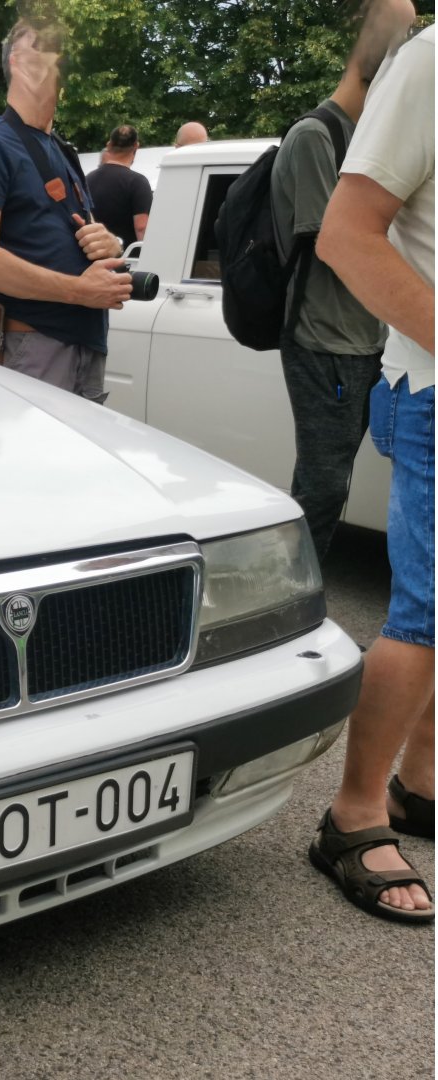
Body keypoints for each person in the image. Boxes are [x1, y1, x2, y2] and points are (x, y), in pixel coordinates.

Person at [308, 22, 434, 923]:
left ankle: (419, 786)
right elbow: (345, 235)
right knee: (423, 607)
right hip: (432, 385)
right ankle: (352, 815)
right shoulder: (432, 61)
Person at [272, 0, 416, 562]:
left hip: (363, 343)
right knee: (324, 484)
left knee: (337, 482)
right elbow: (337, 246)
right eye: (398, 35)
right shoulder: (316, 136)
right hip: (324, 341)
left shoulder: (362, 135)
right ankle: (291, 605)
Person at [0, 18, 129, 400]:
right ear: (18, 62)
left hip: (84, 342)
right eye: (45, 45)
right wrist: (80, 291)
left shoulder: (62, 151)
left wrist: (110, 243)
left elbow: (86, 232)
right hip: (33, 345)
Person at [85, 124, 152, 251]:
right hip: (125, 259)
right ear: (136, 146)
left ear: (109, 145)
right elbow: (141, 227)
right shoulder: (138, 182)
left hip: (92, 256)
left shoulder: (87, 179)